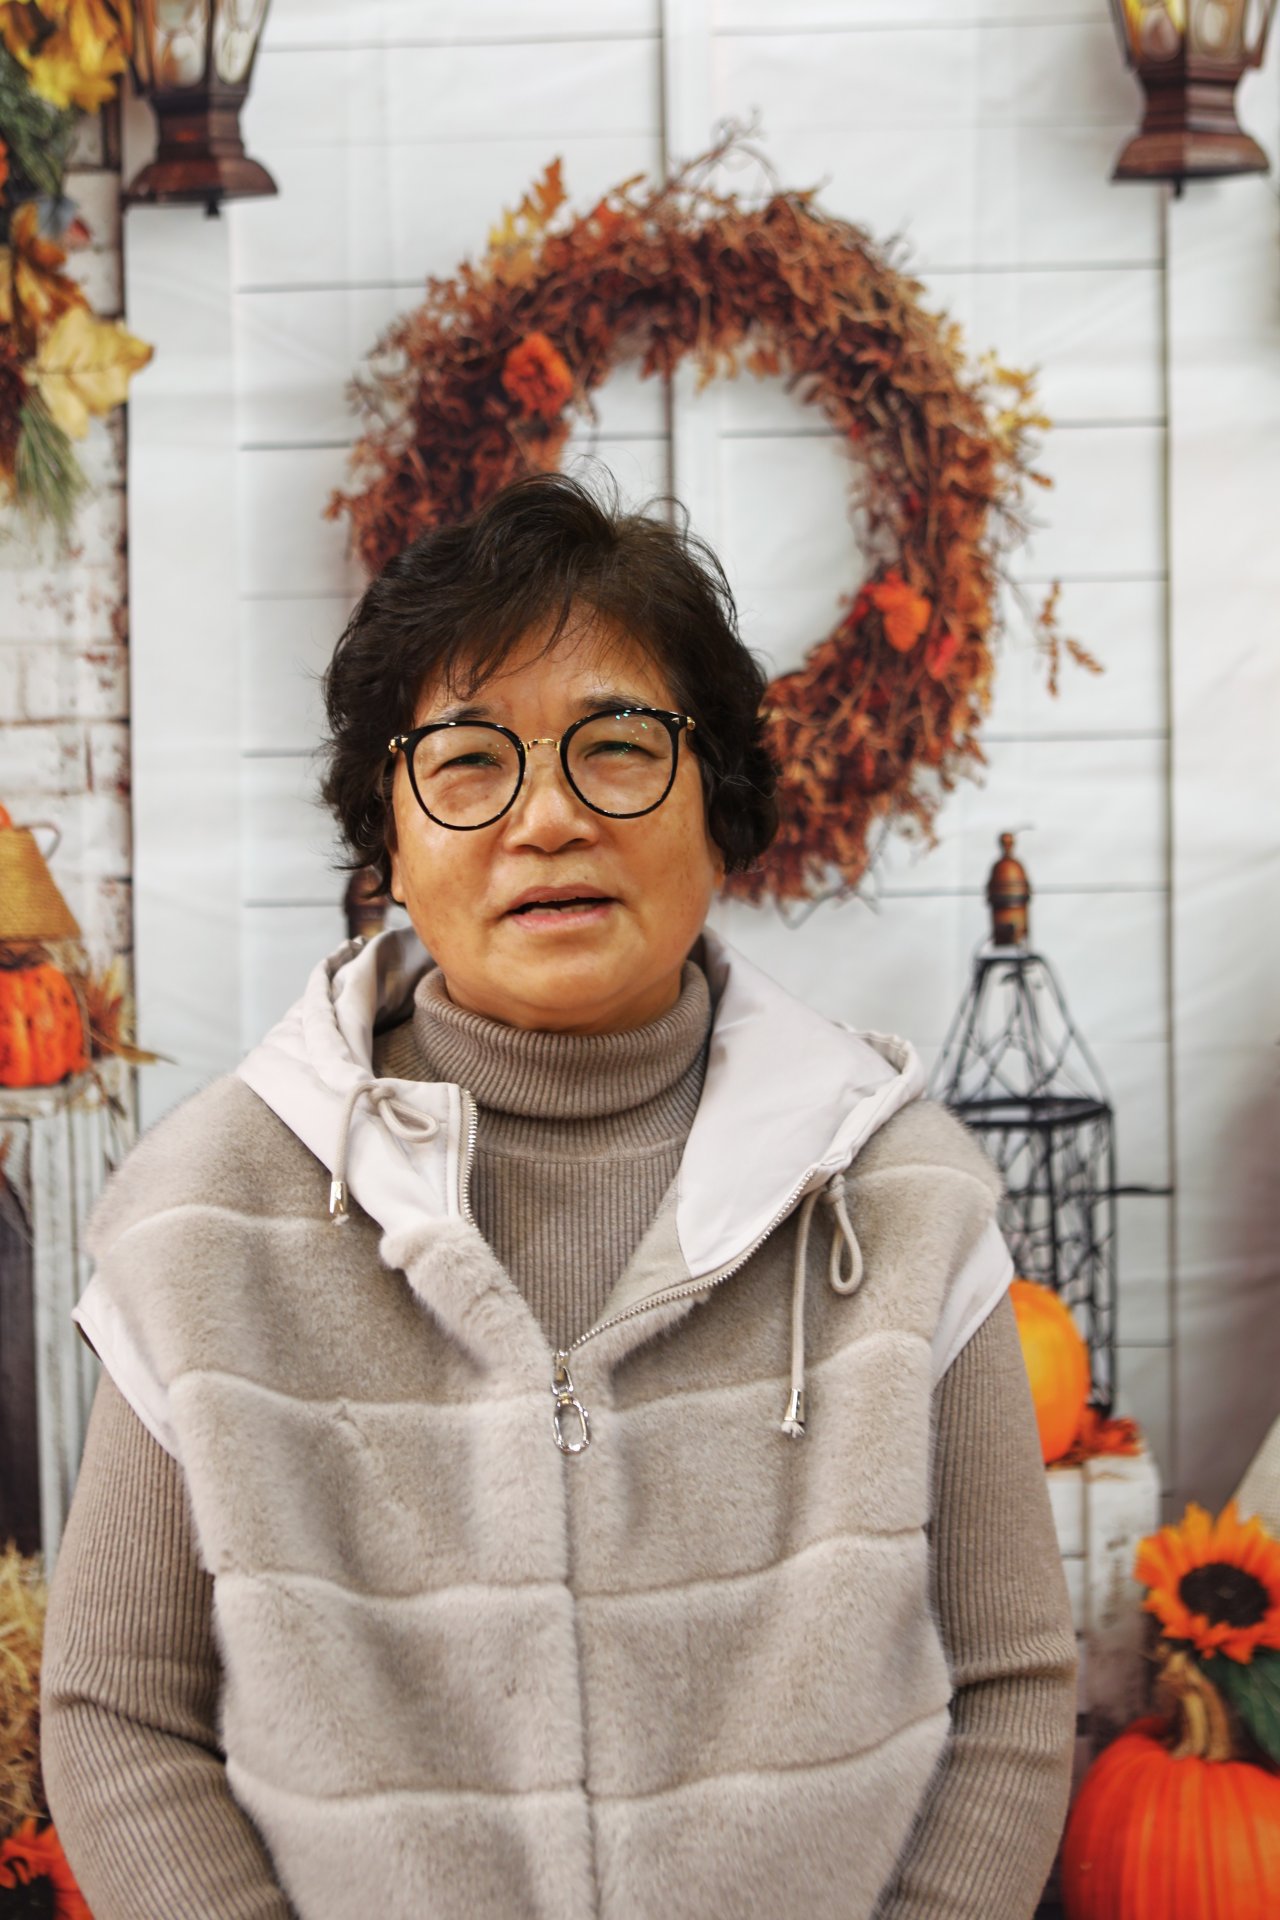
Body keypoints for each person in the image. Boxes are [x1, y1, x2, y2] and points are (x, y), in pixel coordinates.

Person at [41, 472, 1077, 1920]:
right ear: (386, 839)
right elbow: (120, 1716)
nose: (547, 818)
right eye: (469, 761)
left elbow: (1011, 1684)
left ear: (719, 808)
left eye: (620, 748)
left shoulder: (901, 1200)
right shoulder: (206, 1217)